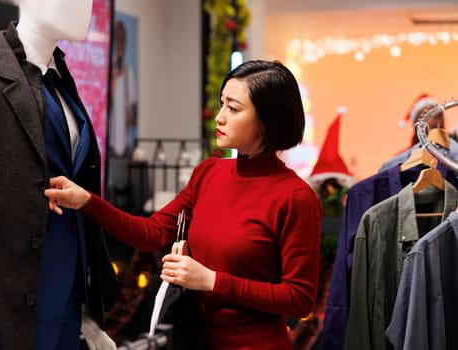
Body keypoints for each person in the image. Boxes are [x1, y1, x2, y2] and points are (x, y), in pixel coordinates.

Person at [45, 60, 323, 350]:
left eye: (233, 108)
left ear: (268, 121)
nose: (219, 117)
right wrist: (88, 201)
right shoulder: (208, 174)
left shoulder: (296, 198)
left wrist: (212, 280)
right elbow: (150, 232)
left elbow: (299, 297)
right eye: (221, 104)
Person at [0, 0, 117, 349]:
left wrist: (88, 303)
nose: (87, 6)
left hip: (68, 306)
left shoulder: (64, 88)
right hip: (5, 313)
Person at [378, 94, 458, 172]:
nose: (433, 121)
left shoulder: (454, 148)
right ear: (416, 124)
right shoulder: (396, 164)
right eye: (426, 116)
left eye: (438, 116)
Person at [109, 20, 138, 158]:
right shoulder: (107, 71)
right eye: (117, 39)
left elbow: (134, 107)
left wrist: (131, 118)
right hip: (109, 137)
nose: (120, 44)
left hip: (125, 141)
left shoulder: (128, 72)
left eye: (122, 40)